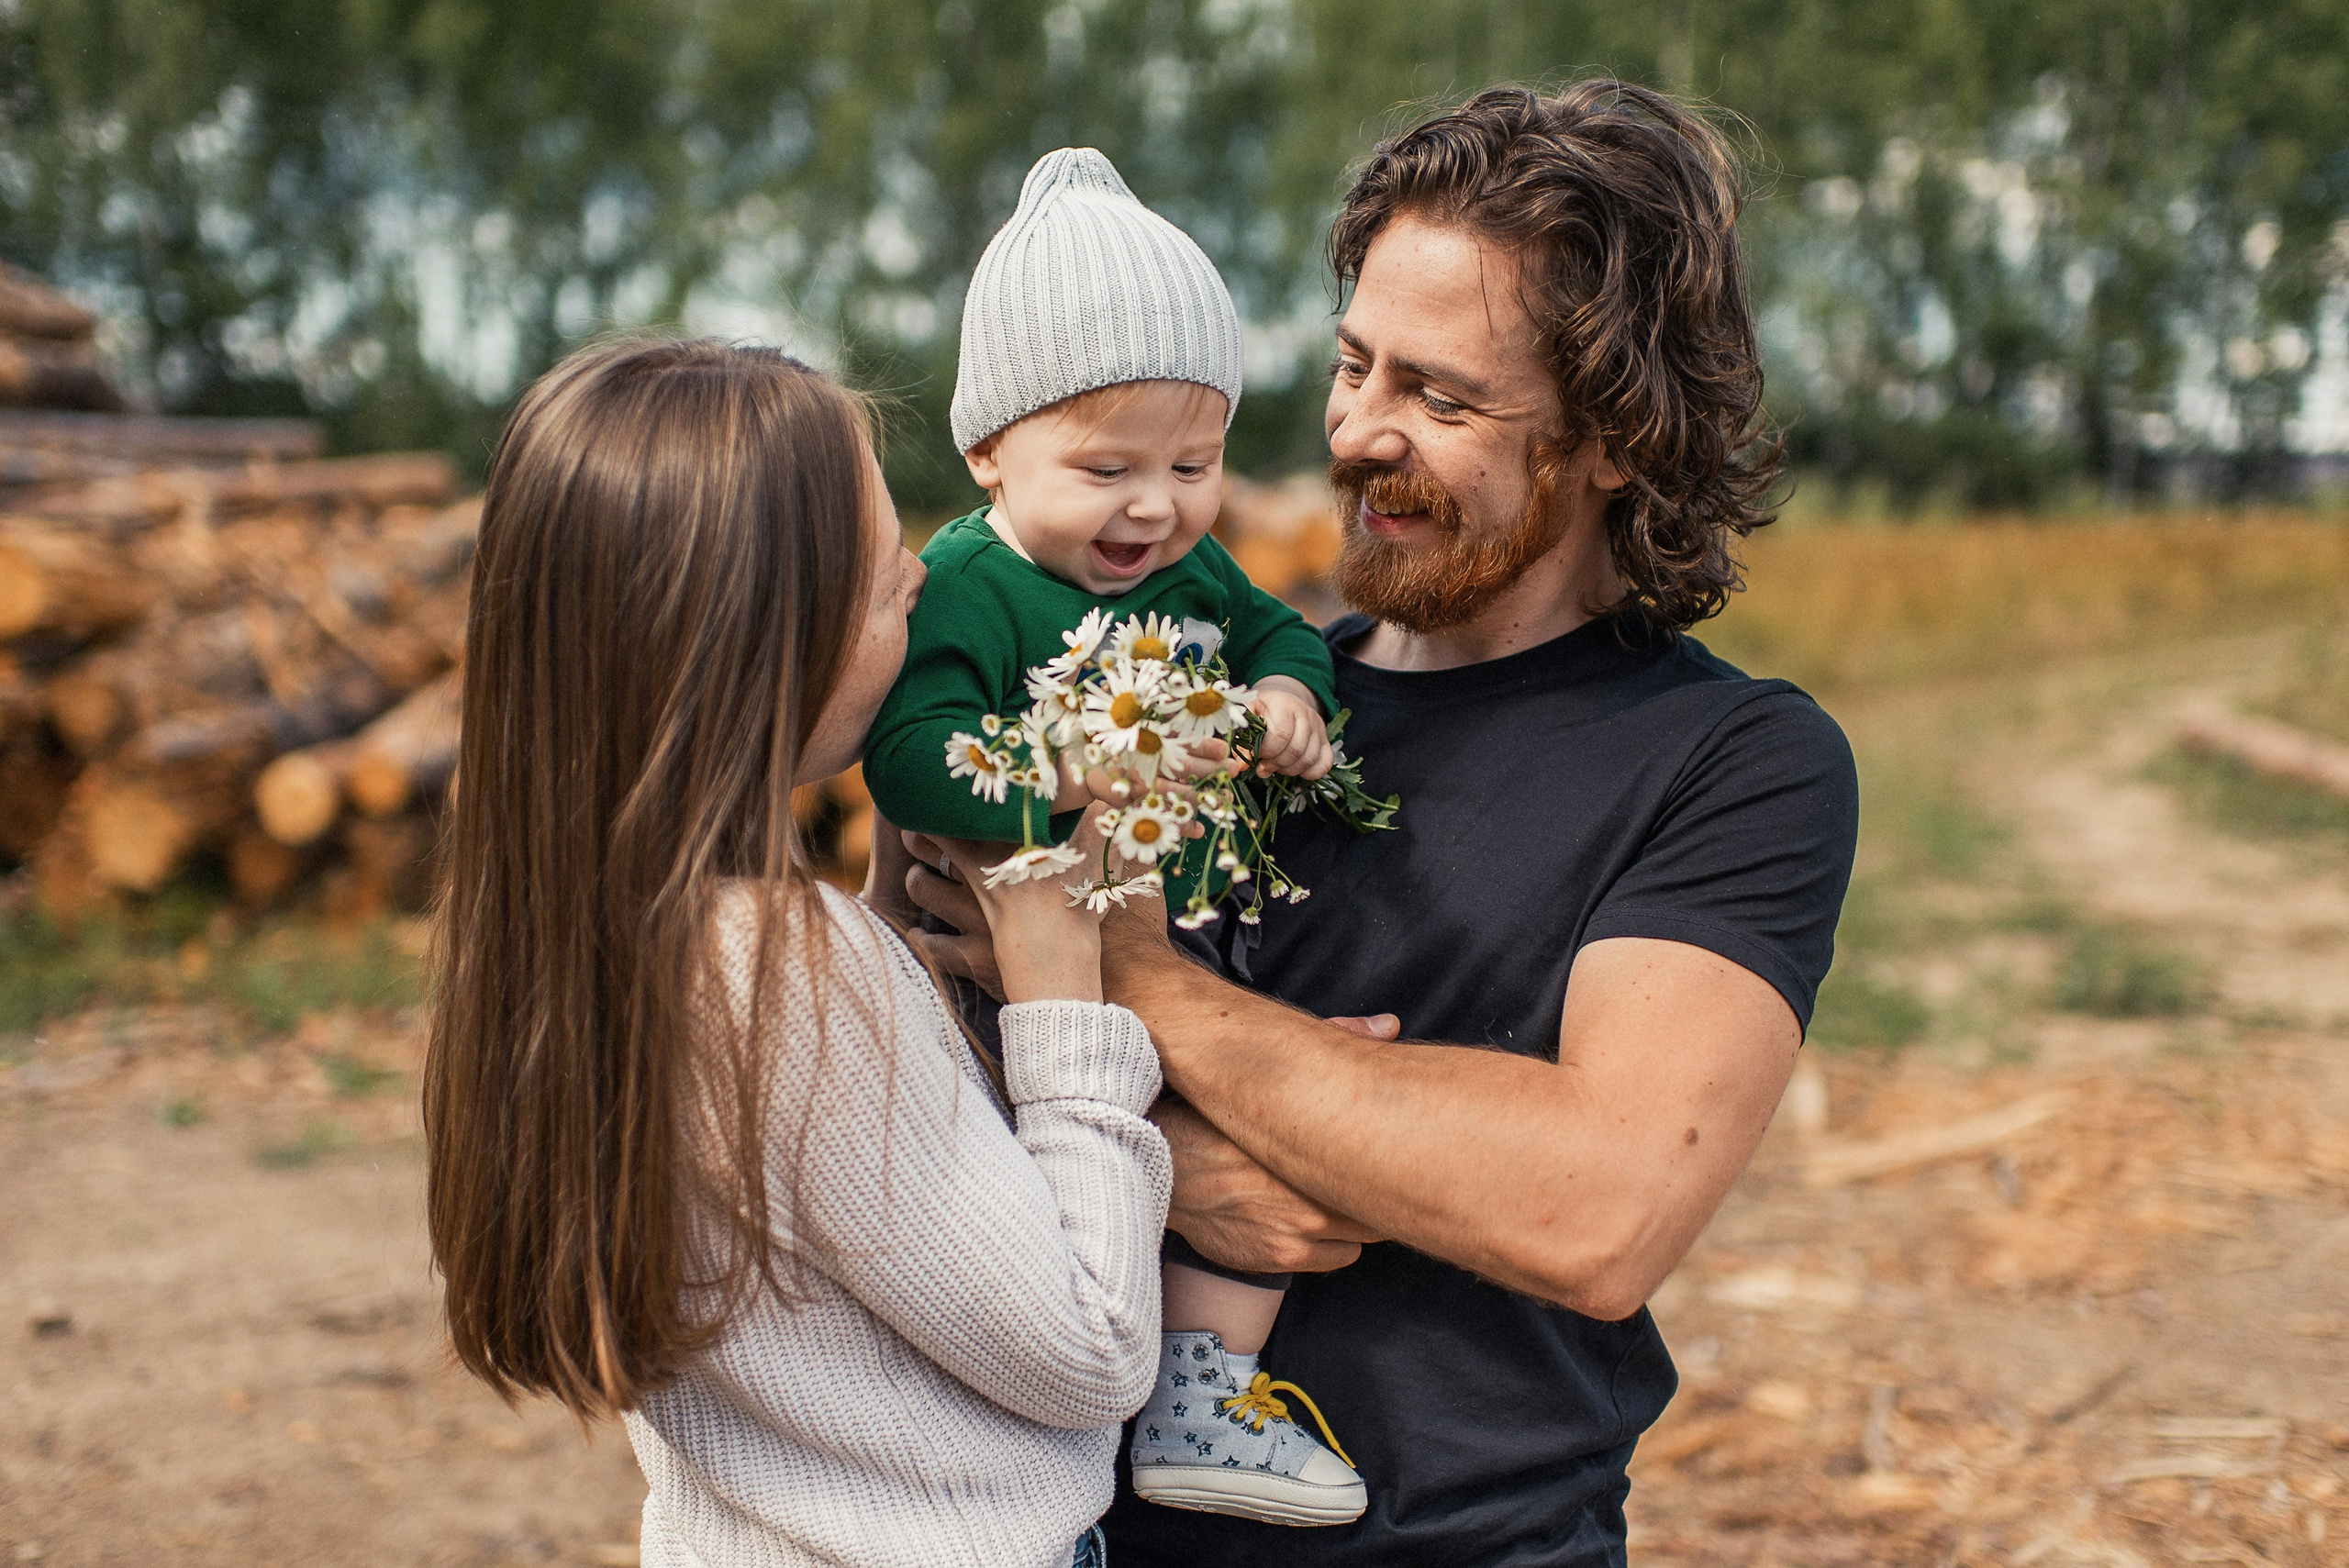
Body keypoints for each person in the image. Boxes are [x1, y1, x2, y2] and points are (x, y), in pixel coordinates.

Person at [897, 82, 1862, 1565]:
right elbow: (900, 1057)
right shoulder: (1194, 690)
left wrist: (1142, 987)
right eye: (1354, 366)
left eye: (1442, 397)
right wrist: (1160, 1153)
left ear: (1617, 433)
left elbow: (1600, 1205)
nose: (1357, 434)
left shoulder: (1730, 763)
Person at [421, 338, 1173, 1568]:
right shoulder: (789, 977)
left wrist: (882, 910)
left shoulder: (583, 937)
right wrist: (1062, 994)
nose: (928, 578)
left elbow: (807, 1197)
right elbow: (1091, 1349)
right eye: (885, 587)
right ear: (759, 648)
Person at [862, 147, 1369, 1526]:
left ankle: (1203, 1388)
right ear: (989, 450)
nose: (1155, 506)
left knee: (1280, 1111)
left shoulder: (1193, 565)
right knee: (1082, 1184)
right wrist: (1063, 769)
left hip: (1189, 938)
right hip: (1021, 974)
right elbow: (910, 753)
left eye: (1194, 463)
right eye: (1106, 467)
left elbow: (1277, 631)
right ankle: (1050, 1413)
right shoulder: (971, 588)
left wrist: (1283, 697)